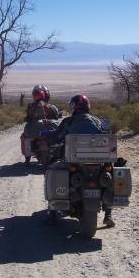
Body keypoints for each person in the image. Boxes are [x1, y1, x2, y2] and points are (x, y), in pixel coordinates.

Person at [46, 94, 115, 227]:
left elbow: (57, 137)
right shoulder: (98, 121)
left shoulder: (68, 122)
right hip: (98, 160)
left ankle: (53, 213)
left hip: (75, 160)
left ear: (73, 107)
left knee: (53, 168)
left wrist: (52, 139)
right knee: (109, 173)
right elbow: (107, 136)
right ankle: (108, 215)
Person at [22, 86, 59, 164]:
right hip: (49, 131)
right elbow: (56, 117)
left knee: (24, 136)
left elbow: (28, 117)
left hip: (35, 131)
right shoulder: (52, 107)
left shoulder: (30, 106)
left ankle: (27, 158)